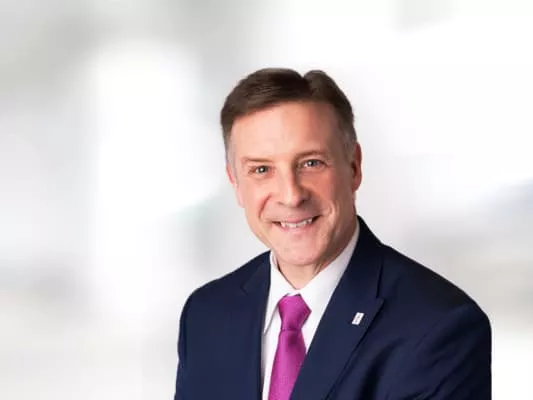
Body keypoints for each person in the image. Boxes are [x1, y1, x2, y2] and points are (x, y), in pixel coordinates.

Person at [174, 68, 491, 400]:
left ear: (353, 167)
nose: (291, 195)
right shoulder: (206, 315)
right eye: (261, 170)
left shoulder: (438, 327)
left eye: (311, 163)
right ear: (236, 183)